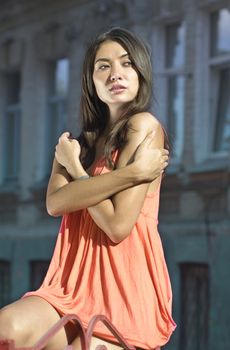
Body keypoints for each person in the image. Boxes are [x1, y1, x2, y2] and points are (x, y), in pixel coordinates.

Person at [0, 27, 176, 350]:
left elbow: (117, 225)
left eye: (126, 64)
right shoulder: (77, 144)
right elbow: (54, 203)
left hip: (121, 292)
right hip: (66, 288)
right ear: (90, 80)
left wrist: (78, 172)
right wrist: (133, 173)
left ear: (141, 74)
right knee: (6, 328)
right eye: (103, 66)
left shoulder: (144, 127)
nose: (115, 74)